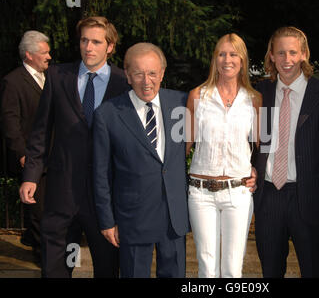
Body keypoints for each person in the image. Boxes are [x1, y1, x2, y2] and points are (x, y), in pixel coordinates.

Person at [19, 16, 129, 278]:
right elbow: (41, 131)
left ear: (110, 46)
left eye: (96, 42)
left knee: (107, 267)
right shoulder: (58, 75)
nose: (88, 47)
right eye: (84, 40)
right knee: (55, 266)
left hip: (104, 197)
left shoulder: (123, 83)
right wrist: (31, 176)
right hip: (61, 191)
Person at [92, 42, 190, 278]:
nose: (147, 81)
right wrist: (107, 221)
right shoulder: (107, 114)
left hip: (173, 217)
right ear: (127, 75)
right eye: (139, 73)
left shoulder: (182, 104)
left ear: (162, 73)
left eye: (153, 73)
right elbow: (100, 173)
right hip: (132, 218)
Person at [252, 27, 319, 278]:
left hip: (307, 196)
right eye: (281, 53)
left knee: (312, 269)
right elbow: (249, 139)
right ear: (272, 56)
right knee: (271, 271)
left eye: (293, 52)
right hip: (268, 197)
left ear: (304, 54)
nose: (287, 60)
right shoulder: (259, 93)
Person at [186, 33, 261, 278]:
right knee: (206, 267)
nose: (226, 59)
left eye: (233, 53)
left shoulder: (255, 99)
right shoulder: (197, 96)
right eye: (221, 53)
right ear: (214, 59)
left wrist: (256, 169)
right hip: (201, 193)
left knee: (231, 269)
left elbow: (260, 146)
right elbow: (184, 145)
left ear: (242, 60)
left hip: (238, 193)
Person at [0, 30, 51, 262]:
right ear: (29, 55)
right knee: (39, 211)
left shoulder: (50, 77)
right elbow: (10, 123)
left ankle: (32, 237)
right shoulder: (12, 82)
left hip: (53, 156)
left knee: (47, 207)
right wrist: (21, 155)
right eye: (44, 52)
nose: (49, 56)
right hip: (31, 159)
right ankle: (43, 258)